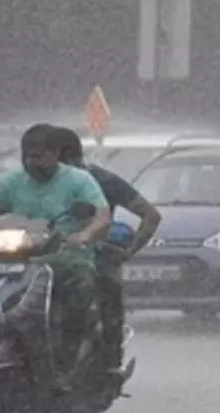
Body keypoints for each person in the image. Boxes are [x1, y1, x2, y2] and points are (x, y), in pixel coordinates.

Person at [0, 124, 112, 381]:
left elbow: (102, 216)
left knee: (79, 290)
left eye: (40, 156)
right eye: (29, 156)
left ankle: (70, 353)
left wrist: (83, 235)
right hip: (17, 262)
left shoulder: (78, 181)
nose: (34, 162)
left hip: (65, 260)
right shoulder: (10, 182)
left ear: (56, 154)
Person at [49, 127, 162, 372]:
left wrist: (127, 251)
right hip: (42, 257)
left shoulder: (101, 180)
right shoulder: (27, 184)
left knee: (107, 289)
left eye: (43, 156)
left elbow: (151, 215)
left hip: (91, 257)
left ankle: (111, 361)